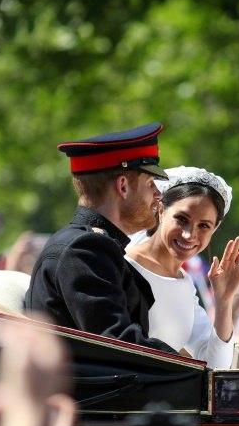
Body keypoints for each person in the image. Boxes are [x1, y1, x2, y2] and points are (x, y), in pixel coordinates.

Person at [25, 122, 175, 352]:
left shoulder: (90, 245)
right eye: (150, 184)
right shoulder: (85, 250)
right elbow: (119, 344)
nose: (158, 195)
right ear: (123, 186)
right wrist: (194, 367)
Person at [125, 166, 239, 368]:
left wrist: (224, 301)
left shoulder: (185, 284)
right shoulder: (124, 265)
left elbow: (215, 365)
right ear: (160, 209)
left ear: (215, 228)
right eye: (182, 219)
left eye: (204, 226)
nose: (189, 235)